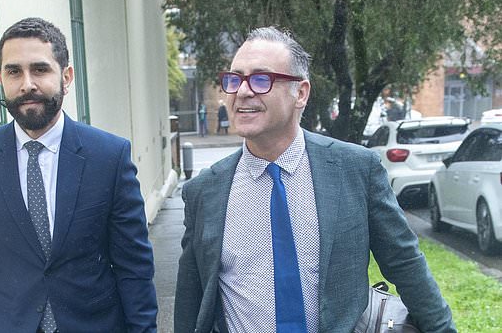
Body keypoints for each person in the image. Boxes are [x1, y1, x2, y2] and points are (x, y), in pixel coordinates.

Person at [174, 26, 455, 333]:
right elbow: (191, 301)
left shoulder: (355, 170)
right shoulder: (204, 192)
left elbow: (405, 265)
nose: (242, 91)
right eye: (234, 79)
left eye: (260, 79)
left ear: (301, 93)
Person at [0, 17, 157, 333]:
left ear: (66, 76)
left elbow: (134, 265)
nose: (27, 84)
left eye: (40, 69)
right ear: (0, 79)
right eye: (13, 71)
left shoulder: (108, 156)